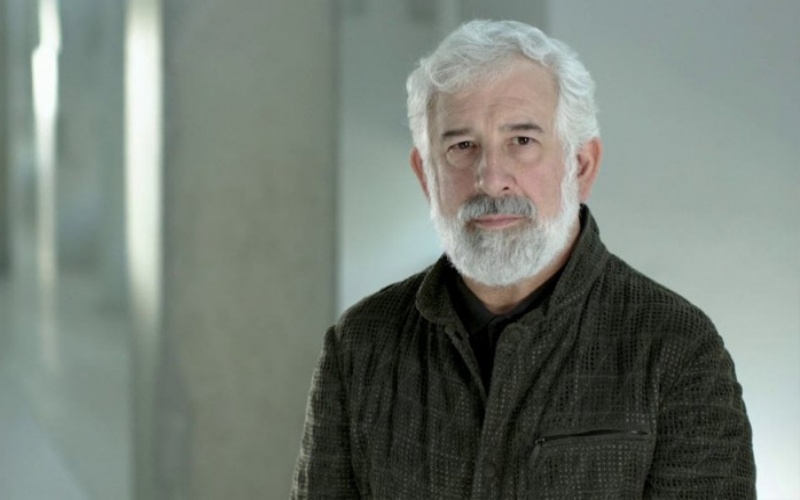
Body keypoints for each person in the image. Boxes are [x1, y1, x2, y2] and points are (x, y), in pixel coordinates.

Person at [292, 19, 755, 499]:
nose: (491, 179)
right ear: (426, 175)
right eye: (462, 146)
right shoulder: (359, 346)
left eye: (522, 141)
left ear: (581, 166)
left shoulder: (676, 349)